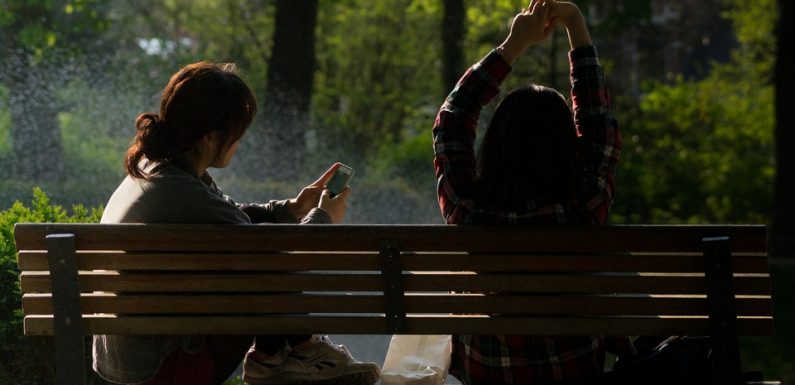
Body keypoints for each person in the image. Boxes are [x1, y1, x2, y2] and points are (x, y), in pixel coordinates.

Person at [93, 62, 380, 385]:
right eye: (237, 133)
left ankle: (282, 355)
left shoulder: (159, 167)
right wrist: (324, 218)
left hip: (137, 352)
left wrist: (293, 209)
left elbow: (234, 216)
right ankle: (296, 352)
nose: (239, 143)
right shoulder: (182, 191)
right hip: (167, 363)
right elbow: (274, 253)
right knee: (266, 256)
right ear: (211, 137)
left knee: (258, 243)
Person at [432, 1, 631, 384]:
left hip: (487, 372)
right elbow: (597, 122)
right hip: (573, 369)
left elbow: (452, 118)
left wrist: (513, 44)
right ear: (567, 149)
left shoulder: (470, 211)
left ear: (496, 144)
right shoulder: (584, 208)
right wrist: (574, 23)